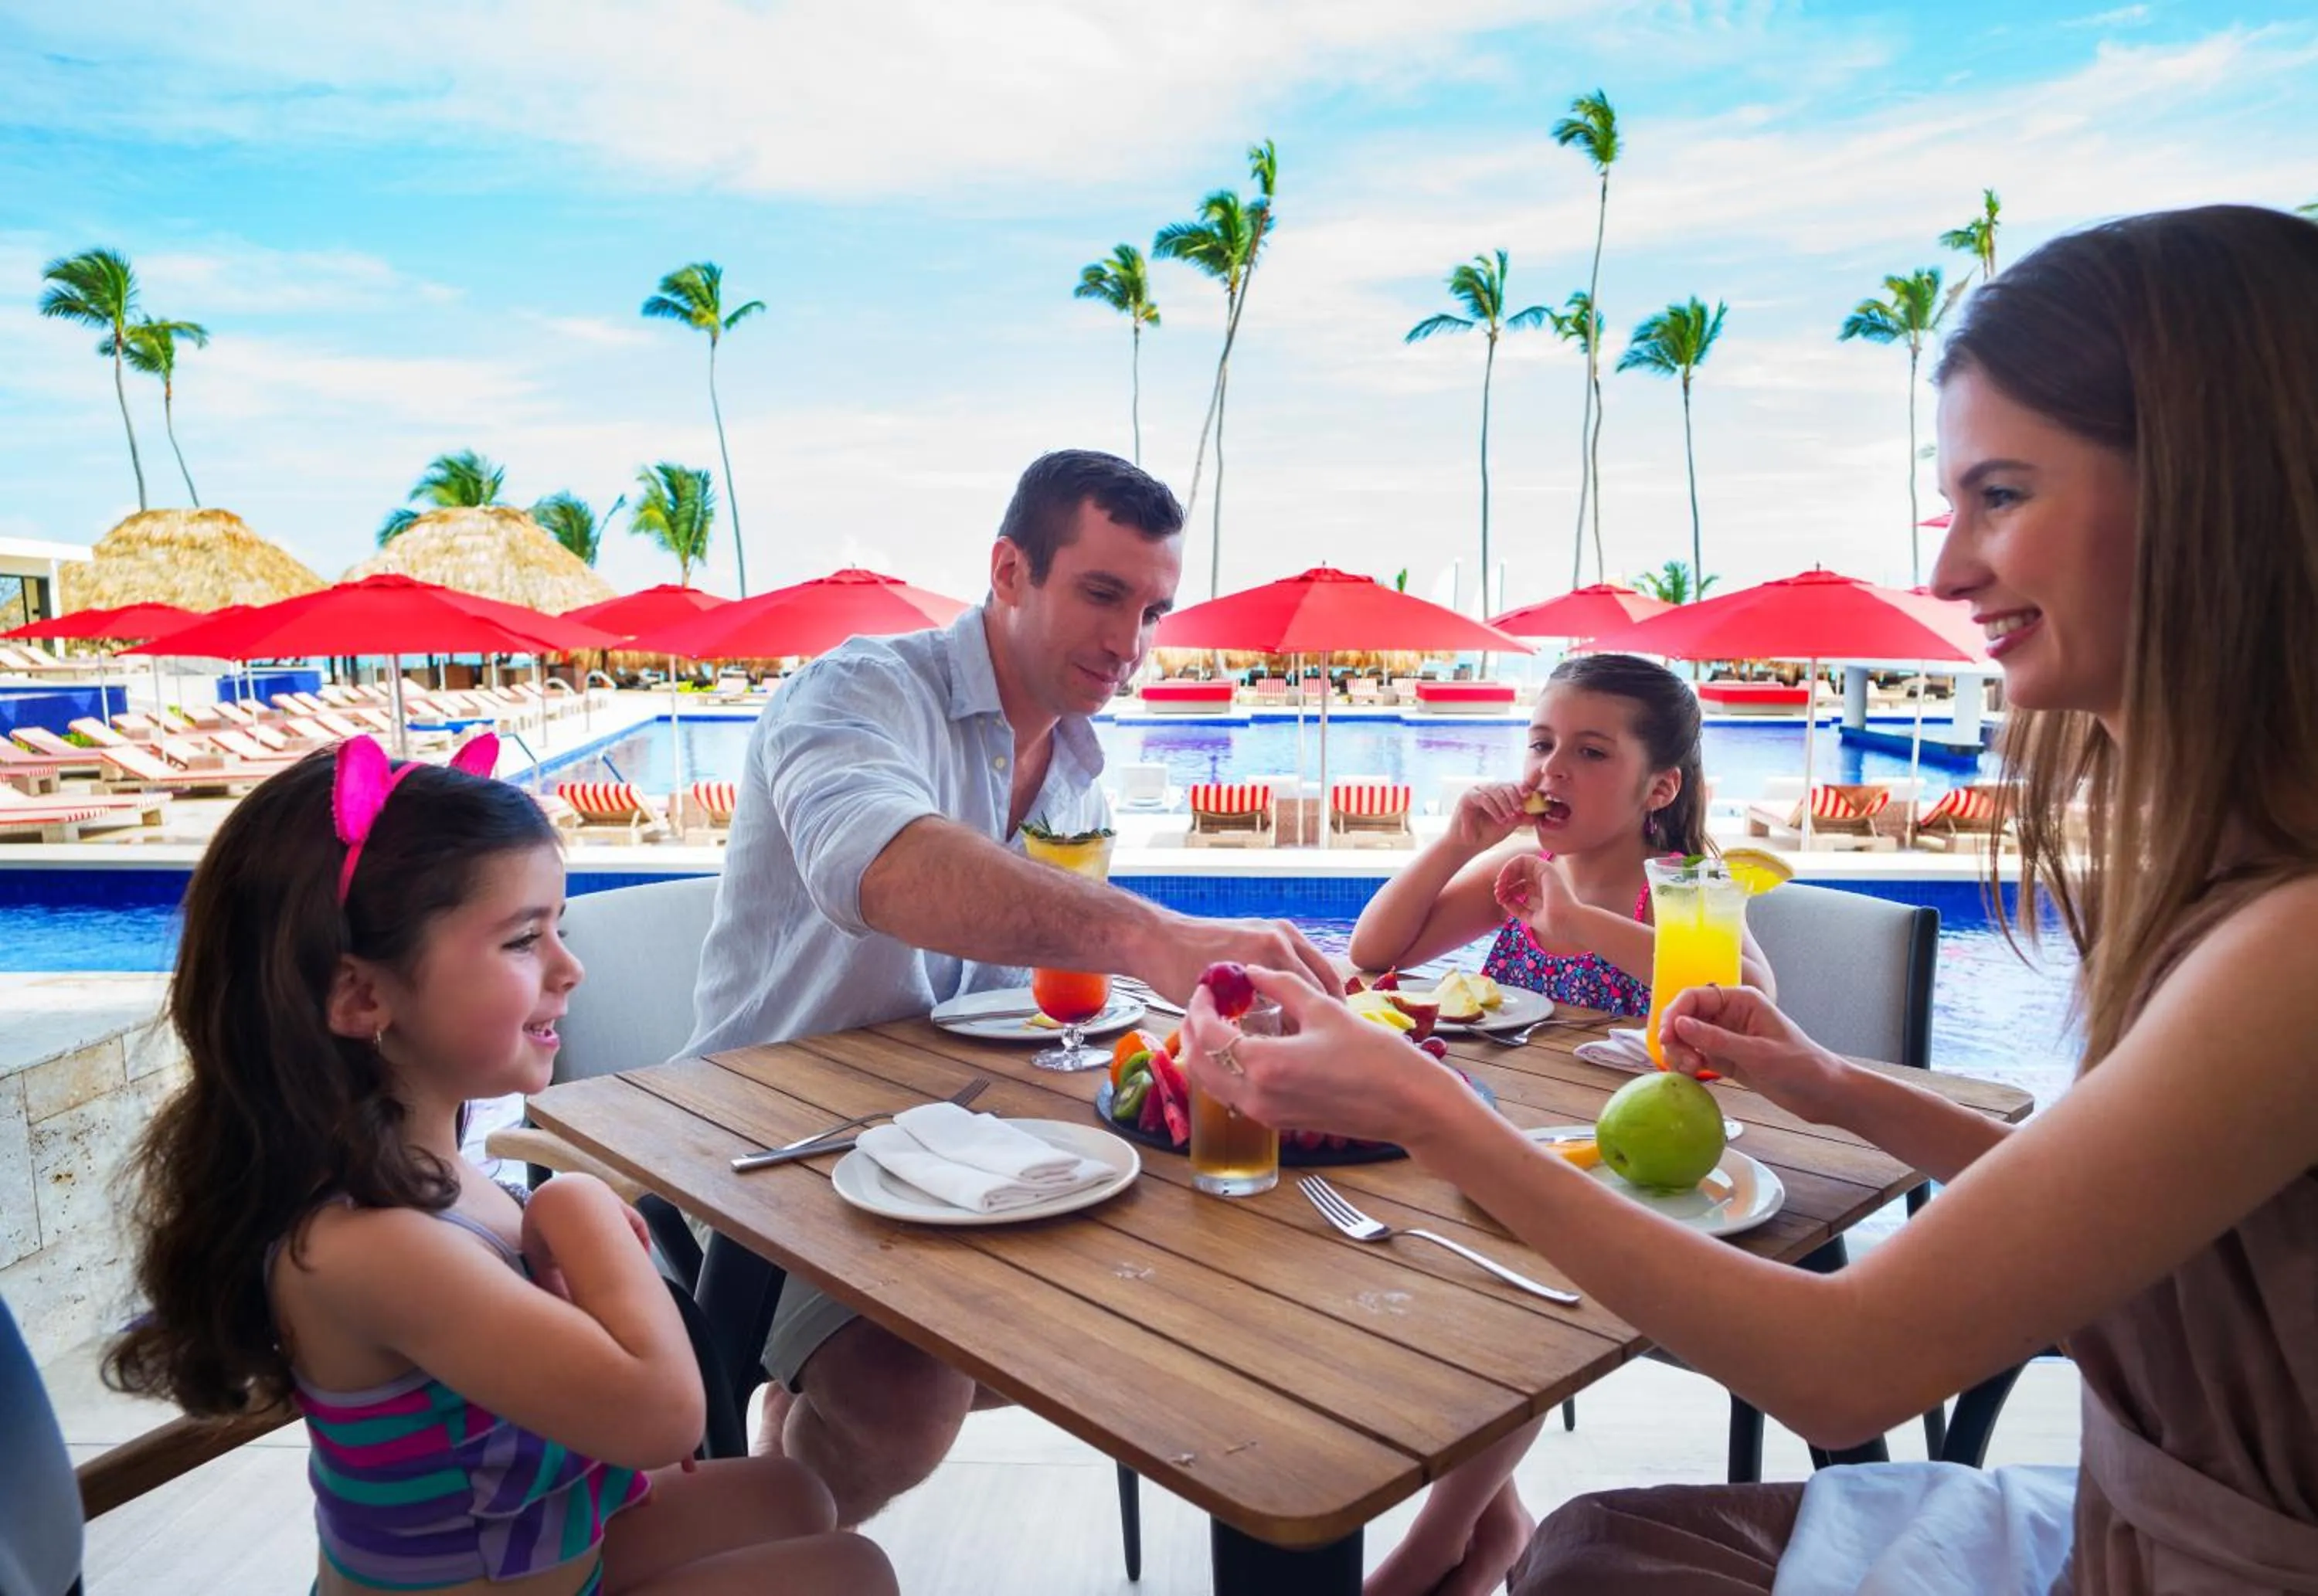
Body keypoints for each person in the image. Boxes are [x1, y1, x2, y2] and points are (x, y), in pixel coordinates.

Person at [1179, 205, 2318, 1594]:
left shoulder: (2293, 947)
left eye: (2003, 495)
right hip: (2123, 1521)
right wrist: (1828, 1079)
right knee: (1594, 1546)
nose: (1952, 569)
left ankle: (1440, 1549)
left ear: (2222, 494)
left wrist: (1429, 1107)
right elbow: (2091, 1196)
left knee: (1594, 1563)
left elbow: (1843, 1370)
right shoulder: (2223, 894)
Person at [684, 448, 1339, 1526]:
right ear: (1007, 570)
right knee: (905, 1391)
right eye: (1102, 593)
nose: (1130, 644)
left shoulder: (1074, 757)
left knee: (1202, 1280)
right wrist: (1149, 935)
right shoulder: (854, 692)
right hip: (774, 1134)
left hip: (954, 1125)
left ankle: (786, 1458)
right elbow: (885, 868)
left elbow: (1038, 984)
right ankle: (772, 1535)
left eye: (1155, 609)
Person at [105, 738, 896, 1596]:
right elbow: (666, 1413)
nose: (571, 965)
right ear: (364, 995)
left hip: (549, 1549)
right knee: (849, 1571)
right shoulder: (367, 1246)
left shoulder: (426, 1171)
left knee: (792, 1489)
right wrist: (585, 1207)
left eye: (559, 925)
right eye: (525, 939)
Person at [1348, 651, 1772, 1596]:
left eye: (1588, 750)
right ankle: (1495, 1527)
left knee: (1523, 1280)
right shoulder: (1523, 865)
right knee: (1392, 1239)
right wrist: (1456, 841)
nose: (1551, 770)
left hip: (1639, 1168)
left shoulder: (1683, 880)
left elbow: (1752, 993)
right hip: (1513, 1139)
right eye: (1542, 743)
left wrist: (1585, 926)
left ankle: (1442, 1535)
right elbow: (1377, 951)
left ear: (1659, 785)